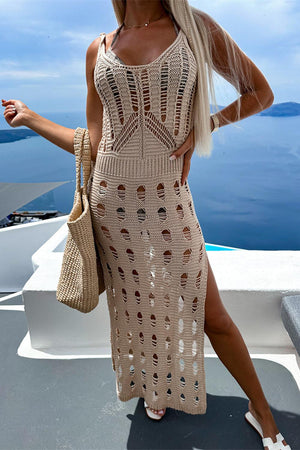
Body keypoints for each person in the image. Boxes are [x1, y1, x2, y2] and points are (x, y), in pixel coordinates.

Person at [1, 1, 291, 448]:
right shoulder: (98, 49)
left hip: (168, 200)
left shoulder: (195, 29)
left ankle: (262, 410)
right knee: (137, 308)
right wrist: (31, 119)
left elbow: (260, 94)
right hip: (110, 204)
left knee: (212, 316)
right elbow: (95, 145)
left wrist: (204, 126)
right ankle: (157, 387)